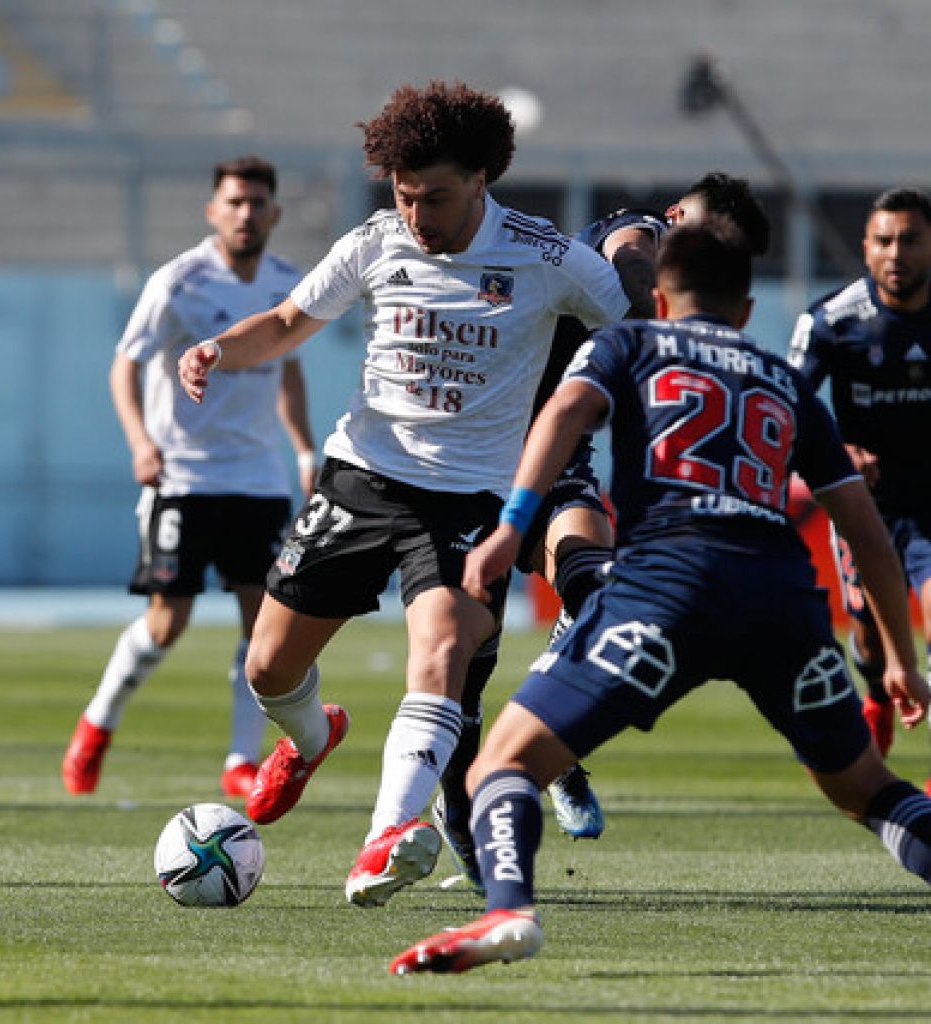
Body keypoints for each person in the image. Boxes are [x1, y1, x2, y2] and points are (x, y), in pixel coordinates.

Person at [391, 220, 931, 975]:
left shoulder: (630, 343)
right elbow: (868, 536)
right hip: (783, 600)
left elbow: (564, 412)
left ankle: (509, 910)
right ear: (746, 310)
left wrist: (514, 525)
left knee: (500, 768)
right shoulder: (784, 378)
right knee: (870, 790)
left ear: (663, 301)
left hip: (665, 587)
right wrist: (902, 659)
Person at [177, 80, 632, 908]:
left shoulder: (545, 255)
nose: (417, 213)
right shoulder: (378, 241)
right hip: (364, 476)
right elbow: (284, 323)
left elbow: (632, 333)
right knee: (269, 668)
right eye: (403, 193)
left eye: (436, 197)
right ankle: (311, 739)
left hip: (472, 502)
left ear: (482, 181)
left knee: (443, 654)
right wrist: (217, 349)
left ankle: (387, 832)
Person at [433, 175, 771, 891]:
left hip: (556, 465)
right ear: (678, 218)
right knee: (465, 656)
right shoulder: (633, 235)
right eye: (707, 236)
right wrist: (672, 322)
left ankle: (551, 749)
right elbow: (630, 259)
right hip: (473, 461)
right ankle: (457, 804)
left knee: (599, 590)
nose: (709, 255)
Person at [62, 155, 317, 797]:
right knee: (165, 623)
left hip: (257, 481)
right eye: (233, 202)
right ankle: (97, 724)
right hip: (181, 477)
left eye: (257, 203)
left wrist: (304, 448)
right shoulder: (179, 281)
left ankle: (240, 759)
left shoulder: (288, 284)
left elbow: (286, 365)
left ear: (274, 213)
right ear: (213, 211)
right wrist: (139, 442)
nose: (245, 213)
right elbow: (125, 365)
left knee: (263, 628)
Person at [788, 187, 931, 772]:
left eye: (911, 240)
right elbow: (788, 409)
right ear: (867, 248)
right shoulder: (832, 319)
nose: (896, 253)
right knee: (871, 640)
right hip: (866, 507)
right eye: (884, 241)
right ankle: (875, 693)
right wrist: (838, 451)